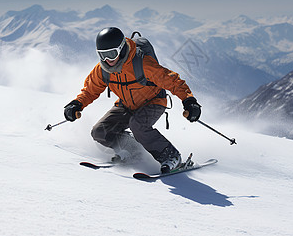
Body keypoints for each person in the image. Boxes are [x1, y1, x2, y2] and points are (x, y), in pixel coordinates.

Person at [64, 27, 201, 173]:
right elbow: (90, 90)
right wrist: (77, 104)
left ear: (122, 49)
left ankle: (171, 156)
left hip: (153, 101)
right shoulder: (102, 69)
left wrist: (189, 101)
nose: (107, 60)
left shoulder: (142, 64)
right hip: (127, 104)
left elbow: (172, 81)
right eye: (102, 55)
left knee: (138, 125)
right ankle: (135, 152)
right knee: (100, 131)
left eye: (111, 54)